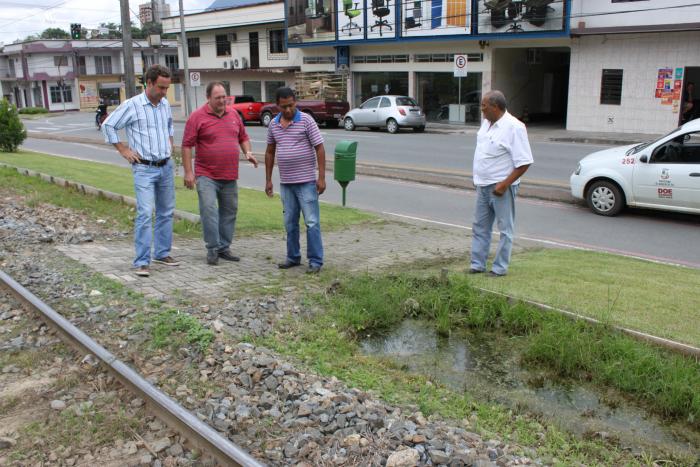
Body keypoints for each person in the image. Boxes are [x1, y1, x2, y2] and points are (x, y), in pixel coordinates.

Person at [102, 64, 179, 277]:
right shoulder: (133, 105)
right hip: (144, 168)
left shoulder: (164, 105)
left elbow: (169, 127)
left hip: (165, 165)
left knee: (166, 212)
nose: (164, 93)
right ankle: (142, 261)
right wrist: (123, 149)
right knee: (145, 213)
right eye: (161, 88)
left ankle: (162, 253)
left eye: (167, 88)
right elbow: (108, 125)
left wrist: (170, 144)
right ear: (150, 83)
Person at [181, 82, 258, 265]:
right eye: (218, 98)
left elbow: (243, 137)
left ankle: (224, 247)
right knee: (209, 211)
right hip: (206, 174)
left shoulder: (233, 114)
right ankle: (213, 248)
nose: (223, 100)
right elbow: (186, 145)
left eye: (224, 96)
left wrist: (248, 152)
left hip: (230, 174)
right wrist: (188, 172)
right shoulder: (197, 117)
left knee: (229, 212)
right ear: (208, 98)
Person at [468, 90, 533, 277]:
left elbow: (524, 162)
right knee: (480, 226)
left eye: (484, 105)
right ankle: (477, 264)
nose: (481, 109)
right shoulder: (486, 124)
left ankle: (499, 268)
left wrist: (504, 184)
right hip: (482, 185)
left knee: (505, 229)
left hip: (501, 187)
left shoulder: (515, 127)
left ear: (495, 107)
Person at [264, 87, 326, 274]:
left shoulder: (306, 120)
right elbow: (269, 152)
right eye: (284, 107)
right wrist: (268, 180)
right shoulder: (273, 125)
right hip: (287, 183)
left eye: (291, 105)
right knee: (290, 222)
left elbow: (320, 148)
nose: (288, 110)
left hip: (307, 182)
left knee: (311, 222)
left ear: (295, 103)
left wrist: (321, 177)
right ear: (277, 106)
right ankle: (293, 257)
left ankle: (315, 261)